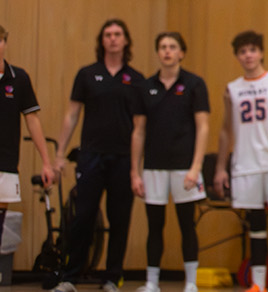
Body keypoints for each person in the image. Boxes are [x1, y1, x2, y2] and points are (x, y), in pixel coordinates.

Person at [53, 19, 146, 292]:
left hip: (122, 158)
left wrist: (135, 169)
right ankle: (70, 277)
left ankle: (111, 278)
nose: (113, 39)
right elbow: (71, 115)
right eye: (108, 34)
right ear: (101, 41)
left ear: (126, 40)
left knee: (120, 219)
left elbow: (140, 127)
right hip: (91, 156)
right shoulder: (87, 74)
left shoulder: (136, 79)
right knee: (82, 217)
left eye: (118, 34)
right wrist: (60, 153)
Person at [213, 31, 268, 292]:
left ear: (261, 52)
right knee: (256, 226)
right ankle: (258, 284)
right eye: (242, 51)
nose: (248, 55)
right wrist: (220, 167)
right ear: (237, 56)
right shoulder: (232, 89)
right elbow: (226, 129)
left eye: (252, 50)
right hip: (246, 164)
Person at [130, 32, 211, 292]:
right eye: (163, 47)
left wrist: (196, 167)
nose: (167, 51)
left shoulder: (194, 84)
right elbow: (139, 131)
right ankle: (152, 282)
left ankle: (191, 282)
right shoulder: (145, 87)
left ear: (181, 53)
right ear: (158, 52)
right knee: (155, 226)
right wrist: (135, 171)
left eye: (172, 47)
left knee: (187, 225)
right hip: (153, 166)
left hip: (185, 167)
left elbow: (203, 127)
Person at [0, 24, 57, 244]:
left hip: (5, 159)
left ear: (5, 43)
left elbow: (32, 120)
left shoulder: (19, 78)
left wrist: (46, 162)